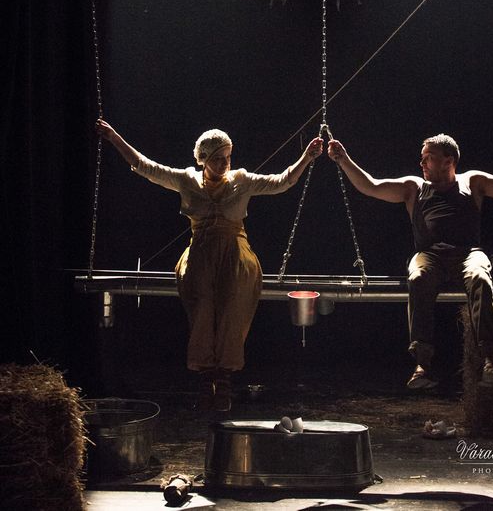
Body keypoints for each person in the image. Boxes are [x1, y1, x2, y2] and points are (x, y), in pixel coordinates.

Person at [96, 118, 323, 411]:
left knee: (232, 306)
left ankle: (224, 377)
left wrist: (306, 157)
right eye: (217, 159)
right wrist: (114, 137)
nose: (224, 163)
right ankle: (206, 377)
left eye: (227, 157)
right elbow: (145, 166)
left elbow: (282, 181)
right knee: (202, 308)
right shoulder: (186, 180)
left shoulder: (241, 180)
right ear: (203, 159)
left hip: (234, 252)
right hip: (201, 253)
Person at [327, 130, 493, 389]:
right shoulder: (413, 187)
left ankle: (488, 360)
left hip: (468, 253)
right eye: (422, 157)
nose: (421, 162)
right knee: (418, 276)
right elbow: (371, 186)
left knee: (480, 276)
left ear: (448, 161)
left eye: (428, 157)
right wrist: (344, 160)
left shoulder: (472, 182)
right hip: (429, 255)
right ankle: (422, 364)